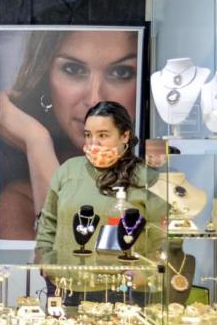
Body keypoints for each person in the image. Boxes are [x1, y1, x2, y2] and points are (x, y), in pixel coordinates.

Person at [0, 28, 139, 240]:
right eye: (73, 69)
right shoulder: (19, 202)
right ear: (46, 79)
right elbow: (69, 258)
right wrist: (37, 142)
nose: (94, 99)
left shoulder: (160, 186)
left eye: (121, 73)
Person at [34, 101, 158, 266]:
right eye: (88, 135)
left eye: (103, 135)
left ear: (125, 136)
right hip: (65, 280)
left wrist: (143, 274)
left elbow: (161, 237)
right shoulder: (68, 170)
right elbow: (47, 223)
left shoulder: (147, 177)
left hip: (121, 284)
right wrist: (46, 263)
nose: (93, 143)